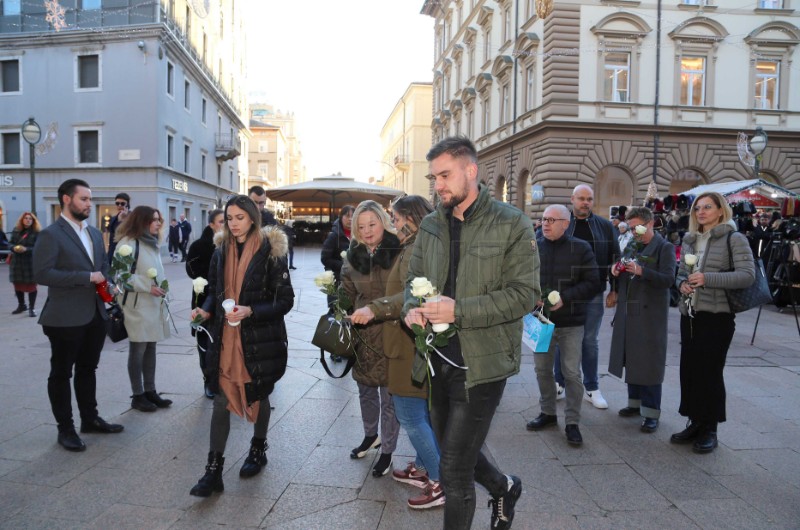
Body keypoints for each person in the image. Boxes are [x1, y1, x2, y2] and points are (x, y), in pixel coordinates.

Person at [403, 136, 539, 530]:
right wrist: (412, 310)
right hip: (434, 358)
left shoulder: (512, 222)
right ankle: (504, 487)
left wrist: (457, 310)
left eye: (444, 175)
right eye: (434, 177)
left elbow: (524, 295)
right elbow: (413, 280)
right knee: (452, 450)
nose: (438, 185)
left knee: (453, 469)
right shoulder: (430, 224)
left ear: (470, 171)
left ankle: (497, 491)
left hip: (483, 362)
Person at [189, 195, 294, 496]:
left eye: (239, 218)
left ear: (252, 218)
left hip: (259, 338)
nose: (233, 224)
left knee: (258, 394)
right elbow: (213, 290)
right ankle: (213, 472)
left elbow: (285, 300)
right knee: (221, 400)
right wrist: (206, 309)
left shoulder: (271, 250)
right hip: (226, 337)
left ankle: (258, 448)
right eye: (229, 218)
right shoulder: (220, 250)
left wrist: (251, 311)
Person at [349, 195, 444, 509]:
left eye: (394, 217)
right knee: (420, 413)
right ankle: (424, 468)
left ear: (409, 217)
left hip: (407, 340)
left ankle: (441, 481)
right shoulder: (415, 244)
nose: (394, 222)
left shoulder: (417, 247)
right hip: (401, 335)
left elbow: (411, 292)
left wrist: (375, 307)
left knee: (410, 415)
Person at [33, 179, 124, 452]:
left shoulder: (95, 233)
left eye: (90, 199)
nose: (89, 204)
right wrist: (86, 277)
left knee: (88, 369)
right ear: (66, 199)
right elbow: (43, 274)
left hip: (95, 314)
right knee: (61, 373)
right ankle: (66, 429)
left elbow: (103, 267)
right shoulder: (51, 234)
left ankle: (90, 419)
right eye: (83, 199)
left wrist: (109, 284)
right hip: (64, 318)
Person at [673, 192, 755, 454]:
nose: (701, 212)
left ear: (721, 211)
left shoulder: (734, 238)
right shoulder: (691, 239)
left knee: (709, 372)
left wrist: (708, 278)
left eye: (708, 207)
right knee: (690, 370)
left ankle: (710, 428)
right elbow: (680, 274)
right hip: (691, 314)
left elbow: (746, 276)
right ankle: (695, 421)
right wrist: (682, 284)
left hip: (717, 316)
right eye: (698, 208)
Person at [527, 204, 601, 446]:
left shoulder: (581, 248)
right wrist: (532, 295)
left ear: (565, 224)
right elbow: (522, 276)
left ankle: (572, 422)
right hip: (541, 321)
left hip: (571, 322)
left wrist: (564, 298)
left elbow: (593, 283)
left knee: (570, 372)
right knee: (542, 370)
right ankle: (548, 413)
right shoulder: (534, 245)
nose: (545, 224)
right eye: (544, 219)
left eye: (552, 220)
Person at [341, 200, 402, 477]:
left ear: (383, 222)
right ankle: (370, 435)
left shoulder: (400, 250)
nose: (367, 231)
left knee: (389, 396)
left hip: (393, 331)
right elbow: (346, 292)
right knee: (365, 389)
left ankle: (388, 450)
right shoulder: (352, 256)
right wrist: (339, 305)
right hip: (363, 334)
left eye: (372, 224)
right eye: (361, 226)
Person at [608, 207, 676, 433]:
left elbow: (668, 279)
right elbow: (622, 267)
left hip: (650, 315)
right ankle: (634, 403)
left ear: (650, 224)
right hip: (630, 310)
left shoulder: (664, 247)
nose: (634, 231)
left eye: (637, 226)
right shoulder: (632, 245)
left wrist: (641, 271)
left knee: (649, 362)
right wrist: (615, 272)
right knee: (632, 357)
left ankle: (651, 413)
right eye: (631, 227)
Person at [555, 184, 620, 409]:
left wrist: (614, 289)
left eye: (589, 199)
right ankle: (559, 382)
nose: (585, 203)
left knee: (589, 340)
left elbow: (615, 259)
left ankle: (591, 387)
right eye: (581, 198)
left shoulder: (604, 226)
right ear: (572, 199)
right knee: (560, 337)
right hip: (563, 291)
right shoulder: (561, 222)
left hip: (592, 291)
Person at [114, 206, 173, 413]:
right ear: (142, 221)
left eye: (159, 220)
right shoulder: (128, 244)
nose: (158, 223)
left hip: (153, 303)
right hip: (136, 305)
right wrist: (149, 286)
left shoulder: (151, 243)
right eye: (154, 220)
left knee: (150, 348)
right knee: (138, 349)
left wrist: (164, 288)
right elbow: (120, 276)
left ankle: (150, 391)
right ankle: (137, 394)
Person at [186, 209, 225, 399]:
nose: (225, 225)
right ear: (211, 224)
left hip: (225, 301)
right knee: (205, 342)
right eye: (221, 222)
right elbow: (191, 270)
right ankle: (208, 381)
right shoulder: (199, 246)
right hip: (203, 299)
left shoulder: (231, 245)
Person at [9, 211, 41, 317]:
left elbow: (39, 248)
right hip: (17, 261)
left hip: (29, 262)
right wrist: (14, 248)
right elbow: (10, 243)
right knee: (17, 284)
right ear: (22, 220)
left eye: (30, 219)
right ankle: (21, 305)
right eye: (26, 218)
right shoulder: (16, 230)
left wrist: (26, 249)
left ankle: (32, 308)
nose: (28, 220)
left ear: (33, 221)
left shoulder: (37, 233)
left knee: (31, 286)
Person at [106, 192, 130, 264]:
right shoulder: (113, 218)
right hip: (113, 251)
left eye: (122, 204)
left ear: (128, 204)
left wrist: (123, 220)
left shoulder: (132, 218)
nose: (119, 205)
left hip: (126, 251)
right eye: (117, 203)